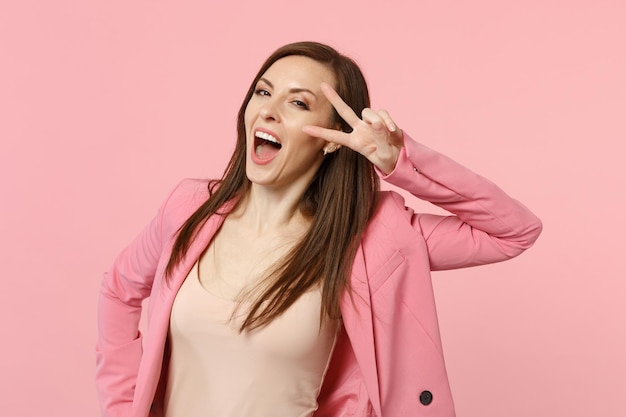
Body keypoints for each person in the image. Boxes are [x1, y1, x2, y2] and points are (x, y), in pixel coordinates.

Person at [96, 41, 542, 417]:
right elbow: (119, 290)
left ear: (333, 136)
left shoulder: (371, 240)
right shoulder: (188, 208)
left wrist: (399, 163)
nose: (268, 112)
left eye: (297, 102)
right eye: (262, 92)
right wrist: (121, 407)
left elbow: (513, 231)